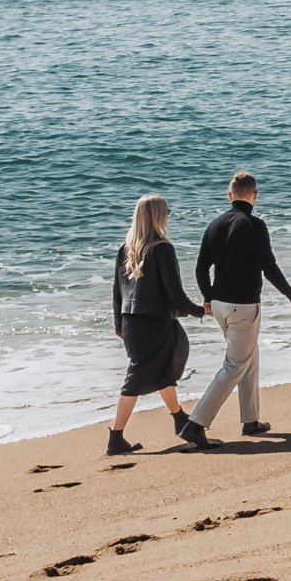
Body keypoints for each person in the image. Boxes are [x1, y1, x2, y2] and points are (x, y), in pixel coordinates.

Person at [180, 170, 291, 447]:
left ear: (230, 196)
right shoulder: (255, 226)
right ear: (255, 195)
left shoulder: (214, 225)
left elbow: (201, 268)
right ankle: (195, 424)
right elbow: (269, 267)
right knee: (235, 364)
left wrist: (208, 298)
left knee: (250, 356)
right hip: (243, 307)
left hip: (221, 307)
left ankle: (251, 420)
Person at [107, 194, 205, 455]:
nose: (169, 215)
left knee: (163, 368)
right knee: (135, 381)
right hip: (154, 323)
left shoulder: (125, 249)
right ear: (158, 216)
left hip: (132, 323)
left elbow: (117, 293)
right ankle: (115, 438)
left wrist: (119, 325)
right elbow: (175, 294)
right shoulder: (162, 248)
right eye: (167, 212)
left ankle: (180, 420)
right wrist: (201, 311)